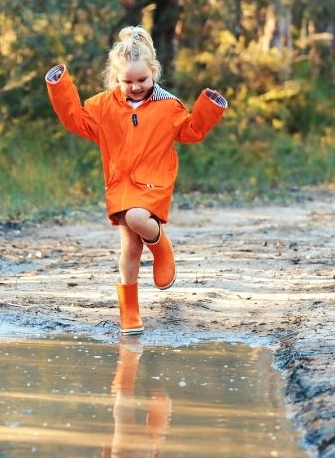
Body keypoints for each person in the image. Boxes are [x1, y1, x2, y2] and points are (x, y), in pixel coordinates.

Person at [45, 26, 227, 335]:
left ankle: (161, 248)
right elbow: (75, 119)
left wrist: (208, 107)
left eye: (142, 80)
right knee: (129, 249)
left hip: (154, 182)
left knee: (137, 217)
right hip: (120, 184)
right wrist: (59, 85)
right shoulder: (103, 106)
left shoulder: (169, 106)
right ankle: (129, 312)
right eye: (127, 81)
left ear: (153, 71)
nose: (135, 86)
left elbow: (192, 132)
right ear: (116, 78)